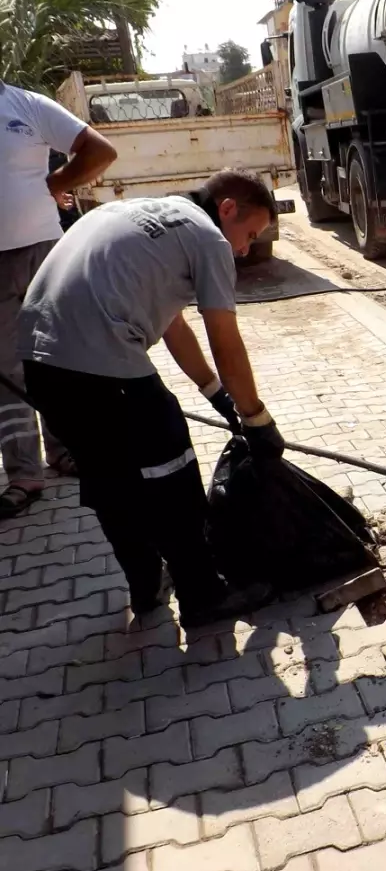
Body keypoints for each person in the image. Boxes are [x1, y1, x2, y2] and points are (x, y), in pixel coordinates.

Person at [17, 169, 285, 629]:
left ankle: (145, 586)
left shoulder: (138, 214)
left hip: (40, 363)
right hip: (98, 363)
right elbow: (224, 338)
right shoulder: (208, 239)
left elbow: (172, 326)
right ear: (226, 209)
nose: (243, 249)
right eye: (249, 233)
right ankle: (203, 594)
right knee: (172, 469)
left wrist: (214, 393)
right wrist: (256, 418)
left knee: (109, 476)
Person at [0, 79, 117, 519]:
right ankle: (24, 474)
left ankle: (66, 451)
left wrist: (57, 181)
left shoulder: (26, 104)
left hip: (45, 252)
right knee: (6, 370)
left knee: (54, 356)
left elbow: (100, 151)